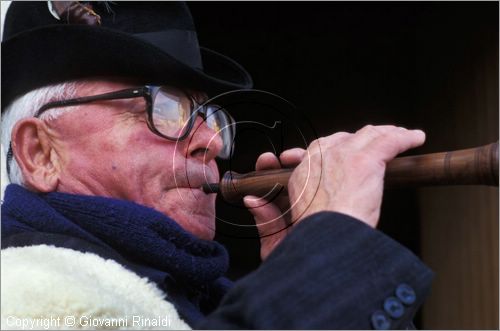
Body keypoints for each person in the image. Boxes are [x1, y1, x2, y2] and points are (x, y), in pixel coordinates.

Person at [1, 2, 433, 330]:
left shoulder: (203, 299)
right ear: (41, 153)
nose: (211, 142)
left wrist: (315, 272)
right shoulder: (22, 300)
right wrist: (328, 256)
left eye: (210, 116)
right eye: (164, 106)